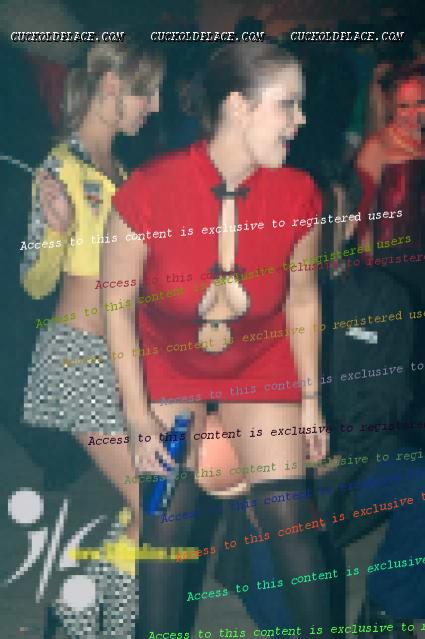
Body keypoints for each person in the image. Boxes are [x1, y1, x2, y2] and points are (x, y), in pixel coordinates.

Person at [105, 42, 332, 632]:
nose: (301, 120)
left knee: (290, 520)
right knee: (167, 529)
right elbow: (117, 308)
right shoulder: (149, 189)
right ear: (238, 106)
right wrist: (138, 415)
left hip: (261, 360)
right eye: (288, 105)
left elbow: (303, 298)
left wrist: (310, 402)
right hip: (169, 363)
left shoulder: (300, 192)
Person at [20, 40, 164, 634]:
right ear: (110, 86)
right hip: (76, 357)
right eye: (146, 91)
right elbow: (34, 281)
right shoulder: (61, 168)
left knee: (156, 504)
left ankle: (77, 610)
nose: (156, 105)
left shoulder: (122, 174)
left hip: (121, 358)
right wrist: (56, 231)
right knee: (153, 504)